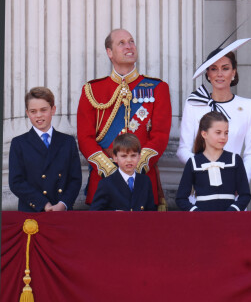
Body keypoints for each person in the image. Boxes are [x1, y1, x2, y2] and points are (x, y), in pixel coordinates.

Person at [77, 29, 172, 210]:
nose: (129, 46)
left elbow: (160, 135)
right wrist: (112, 170)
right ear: (109, 52)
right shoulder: (92, 90)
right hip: (104, 183)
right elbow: (84, 138)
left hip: (142, 184)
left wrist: (134, 167)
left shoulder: (158, 88)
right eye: (121, 43)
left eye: (131, 41)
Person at [177, 38, 251, 182]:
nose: (219, 74)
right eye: (214, 69)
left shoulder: (248, 106)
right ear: (208, 74)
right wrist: (206, 168)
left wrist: (241, 181)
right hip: (201, 182)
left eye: (225, 68)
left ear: (233, 72)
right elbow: (183, 150)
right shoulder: (194, 104)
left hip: (233, 183)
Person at [9, 87, 82, 212]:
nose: (38, 115)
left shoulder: (67, 141)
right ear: (27, 113)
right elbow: (16, 182)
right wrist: (44, 204)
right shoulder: (19, 143)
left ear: (53, 110)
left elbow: (75, 179)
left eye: (43, 110)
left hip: (62, 212)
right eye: (33, 111)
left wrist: (63, 204)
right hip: (33, 212)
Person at [175, 111, 251, 211]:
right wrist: (197, 212)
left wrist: (233, 210)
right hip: (203, 222)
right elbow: (181, 198)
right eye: (218, 132)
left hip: (230, 222)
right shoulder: (193, 162)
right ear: (204, 134)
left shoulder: (235, 160)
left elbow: (245, 195)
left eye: (226, 133)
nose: (223, 137)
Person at [90, 133, 156, 211]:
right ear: (115, 157)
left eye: (133, 155)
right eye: (124, 156)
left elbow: (151, 213)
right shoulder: (106, 184)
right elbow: (95, 214)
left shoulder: (145, 181)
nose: (129, 160)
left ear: (139, 157)